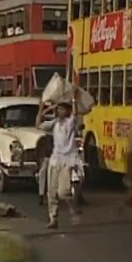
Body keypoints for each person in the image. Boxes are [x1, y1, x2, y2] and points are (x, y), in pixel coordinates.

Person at [36, 95, 81, 229]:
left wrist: (73, 99)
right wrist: (42, 109)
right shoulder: (55, 123)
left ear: (67, 111)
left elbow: (76, 114)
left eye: (62, 109)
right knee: (51, 192)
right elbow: (38, 124)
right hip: (55, 160)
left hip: (66, 161)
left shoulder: (70, 122)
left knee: (63, 192)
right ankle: (53, 218)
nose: (60, 111)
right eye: (59, 109)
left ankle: (73, 206)